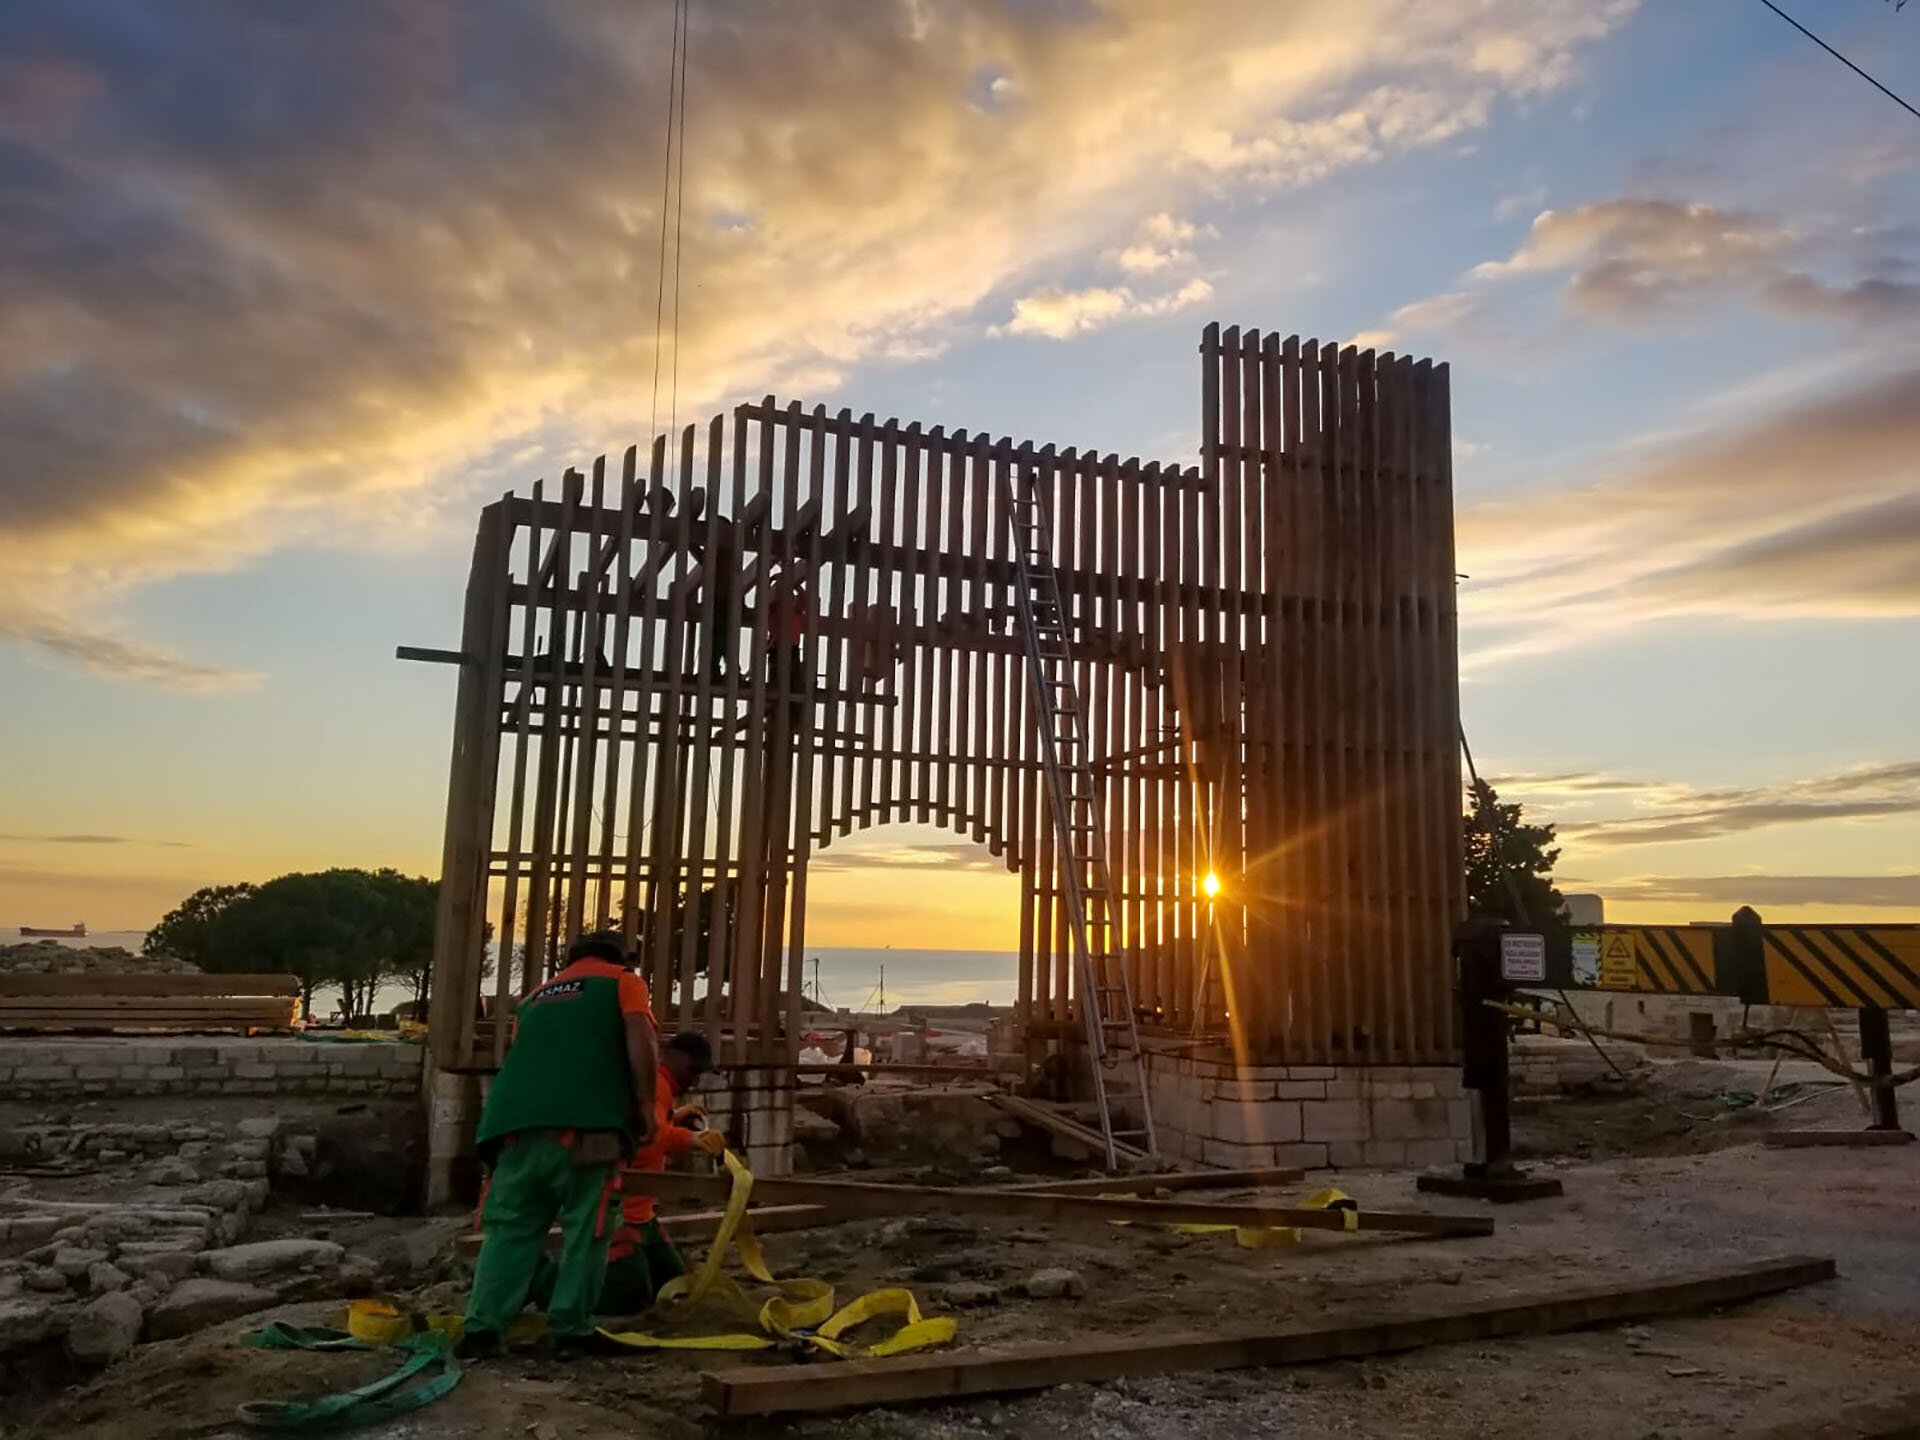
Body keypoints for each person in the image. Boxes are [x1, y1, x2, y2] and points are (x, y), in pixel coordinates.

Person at [458, 931, 659, 1360]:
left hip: (513, 1128)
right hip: (587, 1127)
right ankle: (569, 1329)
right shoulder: (623, 982)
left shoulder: (535, 997)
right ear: (624, 959)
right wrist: (645, 1105)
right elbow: (639, 1033)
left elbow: (530, 1056)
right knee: (589, 1230)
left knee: (510, 1231)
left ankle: (482, 1329)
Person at [526, 1029, 724, 1315]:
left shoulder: (661, 1090)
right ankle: (541, 1282)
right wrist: (690, 1139)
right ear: (673, 1057)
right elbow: (650, 1135)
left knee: (673, 1282)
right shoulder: (655, 1086)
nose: (694, 1081)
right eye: (693, 1071)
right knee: (629, 1291)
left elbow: (653, 1124)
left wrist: (675, 1118)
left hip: (643, 1213)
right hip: (622, 1210)